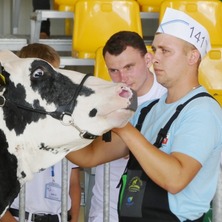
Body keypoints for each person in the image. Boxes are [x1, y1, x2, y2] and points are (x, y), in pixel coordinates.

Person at [66, 7, 222, 222]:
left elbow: (175, 179)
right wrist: (48, 126)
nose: (155, 58)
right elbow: (91, 155)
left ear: (192, 57)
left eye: (165, 51)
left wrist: (123, 127)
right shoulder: (148, 111)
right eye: (155, 49)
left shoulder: (203, 110)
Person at [88, 31, 166, 222]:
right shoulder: (101, 100)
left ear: (148, 59)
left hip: (151, 211)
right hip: (105, 209)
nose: (122, 77)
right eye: (113, 70)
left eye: (129, 67)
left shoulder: (169, 99)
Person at [0, 43, 81, 222]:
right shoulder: (7, 125)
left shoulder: (66, 122)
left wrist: (73, 219)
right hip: (19, 217)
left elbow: (73, 182)